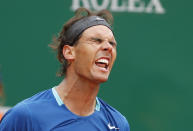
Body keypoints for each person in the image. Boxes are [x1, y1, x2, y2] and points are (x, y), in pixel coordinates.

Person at [0, 8, 130, 131]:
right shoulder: (25, 117)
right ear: (69, 52)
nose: (108, 47)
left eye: (112, 43)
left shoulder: (118, 124)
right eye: (96, 40)